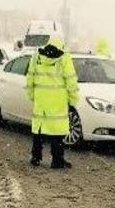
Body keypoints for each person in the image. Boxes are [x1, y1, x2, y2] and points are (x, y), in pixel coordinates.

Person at [26, 36, 79, 169]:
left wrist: (32, 95)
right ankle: (57, 160)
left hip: (41, 99)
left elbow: (30, 78)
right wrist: (73, 100)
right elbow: (71, 81)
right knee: (58, 132)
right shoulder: (64, 58)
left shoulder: (37, 57)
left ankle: (36, 157)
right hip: (58, 100)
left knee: (38, 130)